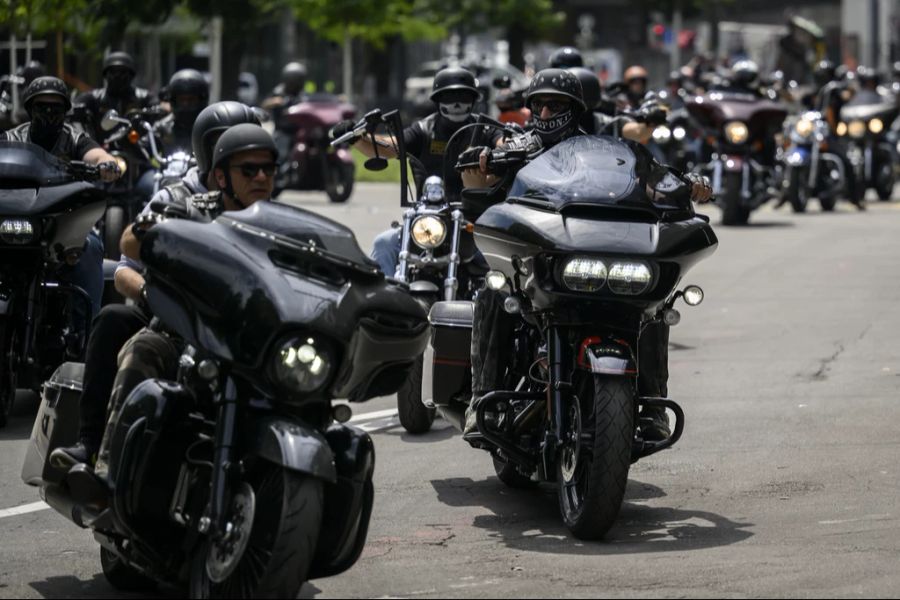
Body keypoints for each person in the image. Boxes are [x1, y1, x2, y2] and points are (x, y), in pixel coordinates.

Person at [459, 68, 712, 442]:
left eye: (555, 105)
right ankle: (483, 400)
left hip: (588, 253)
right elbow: (474, 183)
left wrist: (685, 183)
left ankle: (654, 404)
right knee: (494, 293)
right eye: (539, 105)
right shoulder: (517, 147)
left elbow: (648, 172)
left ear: (574, 109)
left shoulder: (601, 152)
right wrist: (480, 163)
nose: (545, 113)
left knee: (653, 307)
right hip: (539, 262)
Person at [52, 102, 262, 467]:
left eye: (253, 152)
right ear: (209, 153)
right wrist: (152, 293)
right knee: (119, 326)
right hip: (175, 324)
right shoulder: (174, 199)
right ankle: (97, 453)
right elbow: (125, 265)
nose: (246, 161)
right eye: (231, 148)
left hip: (239, 333)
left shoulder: (265, 206)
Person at [332, 66, 503, 276]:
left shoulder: (485, 129)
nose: (457, 103)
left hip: (474, 222)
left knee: (498, 261)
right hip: (427, 218)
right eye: (449, 96)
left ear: (474, 99)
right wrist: (357, 138)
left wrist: (506, 148)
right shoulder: (423, 129)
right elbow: (390, 146)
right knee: (384, 243)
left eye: (463, 95)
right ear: (437, 100)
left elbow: (504, 144)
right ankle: (385, 302)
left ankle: (497, 306)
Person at [2, 76, 123, 344]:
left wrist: (106, 164)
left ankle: (85, 335)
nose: (47, 114)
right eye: (41, 107)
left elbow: (97, 155)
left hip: (63, 222)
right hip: (21, 219)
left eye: (55, 108)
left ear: (65, 111)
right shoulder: (12, 138)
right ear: (30, 109)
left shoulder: (75, 138)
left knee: (90, 247)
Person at [76, 51, 156, 139]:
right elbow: (74, 105)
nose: (117, 76)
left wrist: (164, 107)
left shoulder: (143, 96)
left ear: (131, 75)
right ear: (106, 75)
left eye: (122, 72)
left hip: (137, 145)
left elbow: (159, 106)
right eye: (113, 72)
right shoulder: (95, 97)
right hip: (101, 147)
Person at [160, 68, 210, 152]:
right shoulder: (162, 127)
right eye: (181, 100)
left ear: (202, 99)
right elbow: (144, 150)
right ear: (173, 100)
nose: (186, 104)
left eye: (191, 100)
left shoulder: (209, 127)